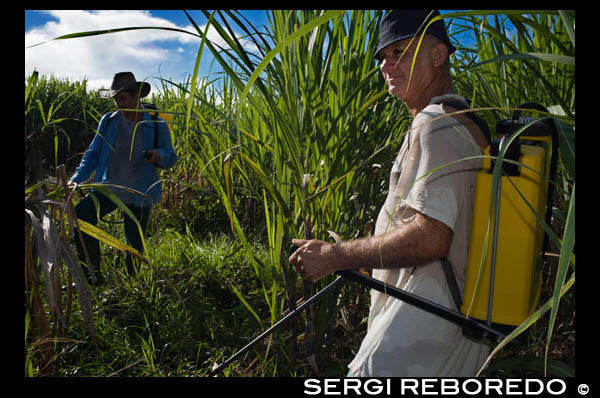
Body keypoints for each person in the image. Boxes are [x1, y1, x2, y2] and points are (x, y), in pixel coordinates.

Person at [288, 10, 490, 377]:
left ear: (437, 54)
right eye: (383, 56)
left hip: (423, 327)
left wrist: (335, 256)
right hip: (450, 323)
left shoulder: (436, 125)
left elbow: (432, 238)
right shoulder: (460, 119)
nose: (386, 64)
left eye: (400, 51)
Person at [69, 71, 178, 283]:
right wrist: (76, 179)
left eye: (123, 98)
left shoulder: (156, 124)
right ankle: (92, 276)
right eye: (116, 98)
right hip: (108, 187)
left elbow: (171, 157)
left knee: (134, 244)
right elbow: (94, 153)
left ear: (136, 96)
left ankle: (133, 285)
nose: (119, 103)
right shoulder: (109, 121)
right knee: (81, 217)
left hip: (139, 192)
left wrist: (158, 156)